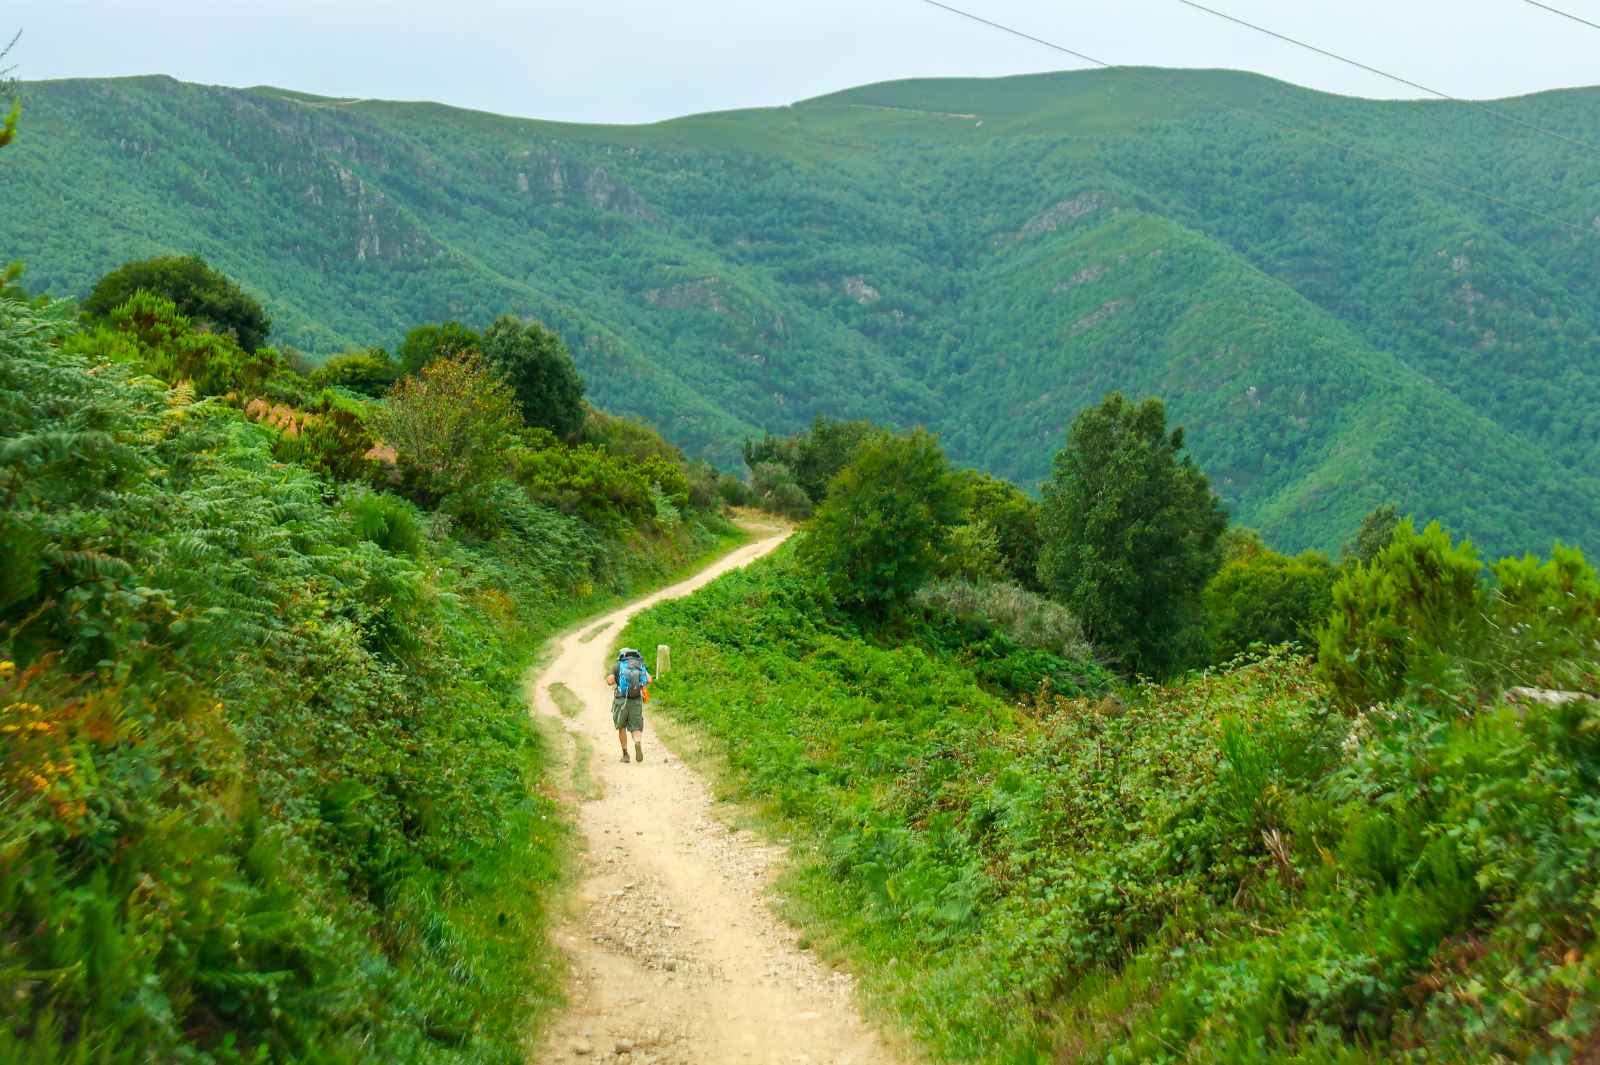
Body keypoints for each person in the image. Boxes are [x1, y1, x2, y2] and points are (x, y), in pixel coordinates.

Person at [606, 648, 650, 764]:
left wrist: (614, 679)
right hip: (636, 700)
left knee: (622, 727)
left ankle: (625, 755)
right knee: (636, 726)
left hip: (621, 700)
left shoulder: (618, 666)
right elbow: (649, 680)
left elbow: (610, 681)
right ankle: (637, 742)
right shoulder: (639, 665)